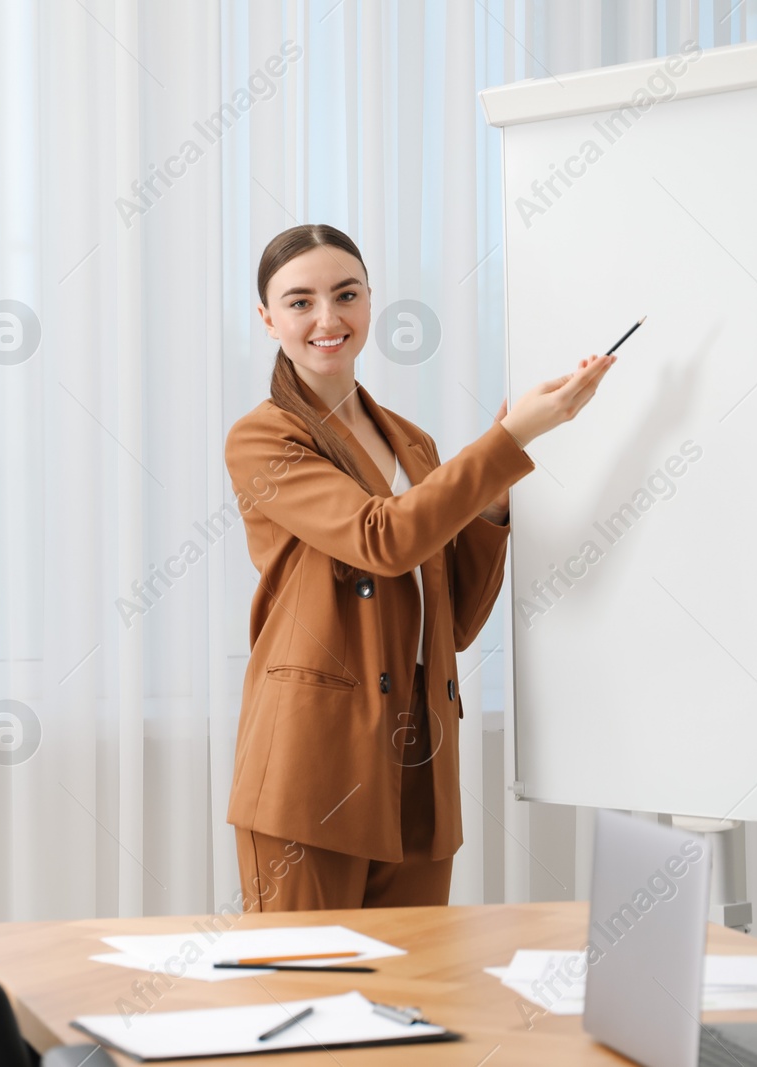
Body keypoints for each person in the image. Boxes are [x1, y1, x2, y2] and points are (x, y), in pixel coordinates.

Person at [224, 223, 615, 911]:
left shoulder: (413, 442)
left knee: (413, 993)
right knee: (306, 992)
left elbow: (454, 619)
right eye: (299, 301)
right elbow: (383, 539)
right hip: (313, 763)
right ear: (267, 318)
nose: (327, 318)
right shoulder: (264, 436)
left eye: (346, 294)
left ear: (371, 301)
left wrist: (494, 494)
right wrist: (508, 439)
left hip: (418, 763)